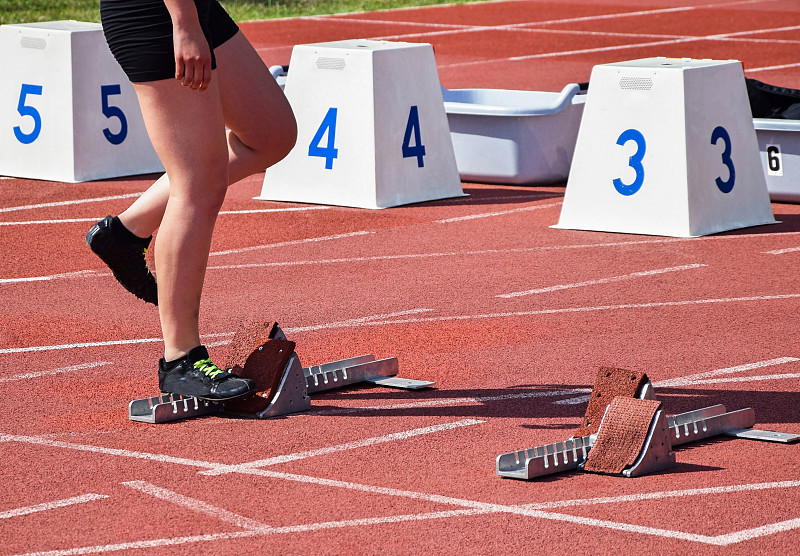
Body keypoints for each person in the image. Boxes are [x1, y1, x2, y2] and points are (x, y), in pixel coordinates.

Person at [86, 0, 297, 401]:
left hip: (194, 9)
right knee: (198, 184)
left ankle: (126, 232)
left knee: (272, 133)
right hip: (157, 12)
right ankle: (180, 358)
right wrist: (183, 23)